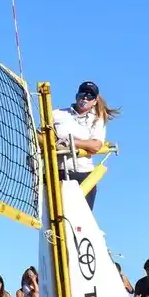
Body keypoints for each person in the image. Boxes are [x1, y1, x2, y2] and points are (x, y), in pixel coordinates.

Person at [52, 81, 119, 209]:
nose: (85, 98)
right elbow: (40, 136)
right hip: (55, 173)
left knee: (79, 221)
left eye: (90, 96)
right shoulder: (57, 114)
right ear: (77, 95)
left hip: (82, 174)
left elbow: (96, 145)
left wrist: (72, 142)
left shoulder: (97, 119)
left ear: (94, 101)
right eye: (83, 94)